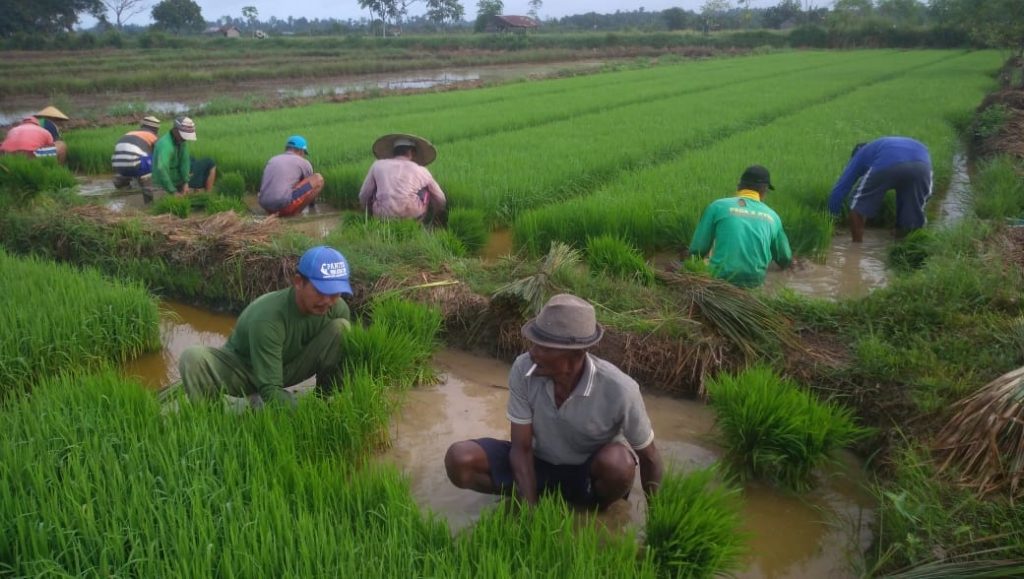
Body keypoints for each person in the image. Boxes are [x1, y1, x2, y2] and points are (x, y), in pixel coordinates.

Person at [444, 293, 664, 510]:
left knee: (619, 465)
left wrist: (656, 518)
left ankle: (591, 511)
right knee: (460, 460)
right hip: (539, 462)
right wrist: (529, 513)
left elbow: (650, 457)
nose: (533, 353)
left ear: (575, 356)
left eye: (544, 347)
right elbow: (521, 448)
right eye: (534, 343)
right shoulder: (524, 369)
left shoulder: (620, 390)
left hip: (586, 471)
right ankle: (535, 497)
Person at [178, 245, 353, 406]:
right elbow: (270, 388)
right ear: (299, 282)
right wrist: (300, 414)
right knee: (192, 357)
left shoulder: (337, 309)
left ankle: (325, 400)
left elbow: (338, 358)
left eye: (335, 293)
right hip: (246, 371)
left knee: (342, 328)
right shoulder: (268, 317)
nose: (327, 301)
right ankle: (213, 422)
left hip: (287, 367)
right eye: (321, 291)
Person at [689, 165, 793, 288]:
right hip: (755, 281)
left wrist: (690, 267)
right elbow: (785, 258)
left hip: (720, 278)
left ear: (739, 186)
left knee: (707, 262)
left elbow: (697, 249)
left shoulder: (717, 206)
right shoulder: (773, 217)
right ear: (764, 190)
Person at [827, 136, 932, 242]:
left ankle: (856, 247)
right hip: (923, 166)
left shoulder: (861, 153)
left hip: (889, 163)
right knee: (912, 206)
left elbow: (841, 188)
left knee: (857, 203)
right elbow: (924, 196)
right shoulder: (880, 146)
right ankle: (907, 242)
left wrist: (829, 220)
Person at [359, 133, 447, 224]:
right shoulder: (422, 170)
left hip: (383, 215)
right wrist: (438, 213)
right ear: (411, 152)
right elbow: (440, 198)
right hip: (412, 215)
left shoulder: (378, 165)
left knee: (376, 188)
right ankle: (422, 225)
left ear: (394, 151)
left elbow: (364, 194)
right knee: (426, 192)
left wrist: (367, 211)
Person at [258, 135, 325, 217]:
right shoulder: (303, 162)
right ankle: (295, 214)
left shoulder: (272, 159)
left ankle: (277, 211)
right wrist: (312, 206)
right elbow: (310, 187)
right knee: (318, 179)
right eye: (304, 153)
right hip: (282, 206)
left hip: (265, 206)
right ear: (301, 151)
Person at [152, 116, 218, 198]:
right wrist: (173, 192)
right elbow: (162, 169)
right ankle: (207, 194)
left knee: (192, 159)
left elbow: (184, 161)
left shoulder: (180, 140)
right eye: (183, 135)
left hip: (176, 176)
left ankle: (204, 194)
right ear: (175, 130)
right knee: (209, 163)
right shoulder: (165, 145)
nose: (185, 139)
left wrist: (185, 182)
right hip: (167, 179)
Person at [111, 116, 161, 198]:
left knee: (131, 164)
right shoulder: (152, 136)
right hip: (135, 163)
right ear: (156, 129)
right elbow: (160, 155)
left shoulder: (128, 133)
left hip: (117, 164)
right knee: (155, 162)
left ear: (142, 126)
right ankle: (148, 201)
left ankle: (120, 181)